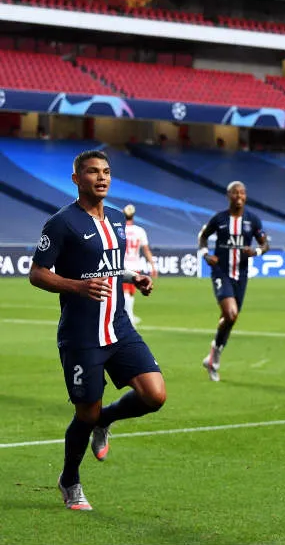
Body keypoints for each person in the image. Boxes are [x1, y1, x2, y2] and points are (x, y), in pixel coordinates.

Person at [28, 150, 166, 510]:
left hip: (118, 328)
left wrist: (134, 276)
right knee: (84, 413)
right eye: (92, 172)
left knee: (155, 395)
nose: (101, 177)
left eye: (106, 171)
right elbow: (37, 273)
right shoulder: (61, 222)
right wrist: (77, 287)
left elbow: (109, 267)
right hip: (82, 335)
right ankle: (70, 480)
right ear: (77, 179)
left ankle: (106, 420)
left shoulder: (118, 221)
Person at [196, 181, 269, 382]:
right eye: (235, 193)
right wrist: (205, 255)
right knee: (231, 313)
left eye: (242, 193)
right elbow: (202, 237)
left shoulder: (252, 220)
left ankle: (212, 358)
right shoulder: (219, 219)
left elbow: (265, 244)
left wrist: (256, 251)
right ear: (228, 196)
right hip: (221, 271)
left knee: (230, 319)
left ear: (245, 196)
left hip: (241, 274)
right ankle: (214, 359)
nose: (239, 196)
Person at [121, 204, 157, 325]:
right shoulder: (139, 231)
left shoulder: (119, 229)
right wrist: (152, 265)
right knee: (129, 293)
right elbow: (146, 250)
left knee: (126, 293)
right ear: (133, 216)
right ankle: (129, 316)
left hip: (122, 264)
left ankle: (128, 315)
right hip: (134, 265)